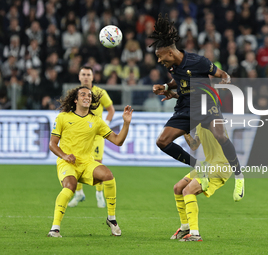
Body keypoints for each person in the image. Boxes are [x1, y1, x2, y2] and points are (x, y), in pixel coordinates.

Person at [149, 14, 244, 201]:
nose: (159, 61)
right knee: (162, 142)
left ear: (170, 53)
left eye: (160, 57)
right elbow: (179, 81)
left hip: (207, 105)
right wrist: (167, 87)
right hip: (185, 107)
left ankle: (239, 176)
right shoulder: (171, 67)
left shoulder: (198, 61)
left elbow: (222, 74)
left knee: (219, 135)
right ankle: (198, 166)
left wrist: (225, 80)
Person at [48, 86, 133, 237]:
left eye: (89, 95)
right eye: (83, 94)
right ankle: (55, 228)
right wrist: (64, 156)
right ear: (75, 100)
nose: (87, 97)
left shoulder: (96, 121)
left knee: (108, 175)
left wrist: (126, 123)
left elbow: (118, 141)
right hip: (67, 163)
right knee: (70, 187)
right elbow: (52, 144)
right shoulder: (63, 117)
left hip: (87, 163)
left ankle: (111, 219)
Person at [171, 123, 233, 242]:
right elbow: (194, 146)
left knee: (188, 191)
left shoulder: (214, 121)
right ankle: (185, 227)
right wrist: (185, 131)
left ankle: (195, 234)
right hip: (208, 164)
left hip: (221, 166)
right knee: (178, 188)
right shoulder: (200, 124)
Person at [68, 66, 115, 208]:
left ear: (93, 77)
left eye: (89, 74)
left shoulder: (100, 92)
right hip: (80, 135)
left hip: (96, 136)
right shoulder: (75, 93)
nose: (86, 77)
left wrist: (104, 126)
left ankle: (99, 195)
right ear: (79, 77)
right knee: (75, 162)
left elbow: (111, 110)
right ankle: (79, 193)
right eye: (83, 74)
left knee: (98, 164)